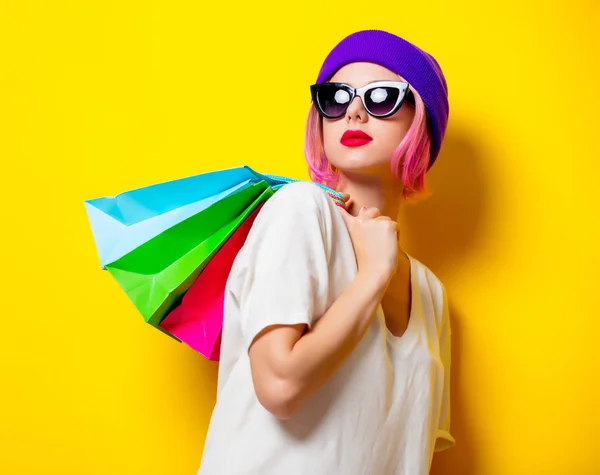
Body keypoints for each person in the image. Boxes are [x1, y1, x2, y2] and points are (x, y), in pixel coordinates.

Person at [197, 29, 455, 475]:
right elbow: (279, 386)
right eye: (336, 98)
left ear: (422, 123)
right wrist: (373, 274)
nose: (354, 111)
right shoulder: (300, 210)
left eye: (381, 97)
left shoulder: (430, 294)